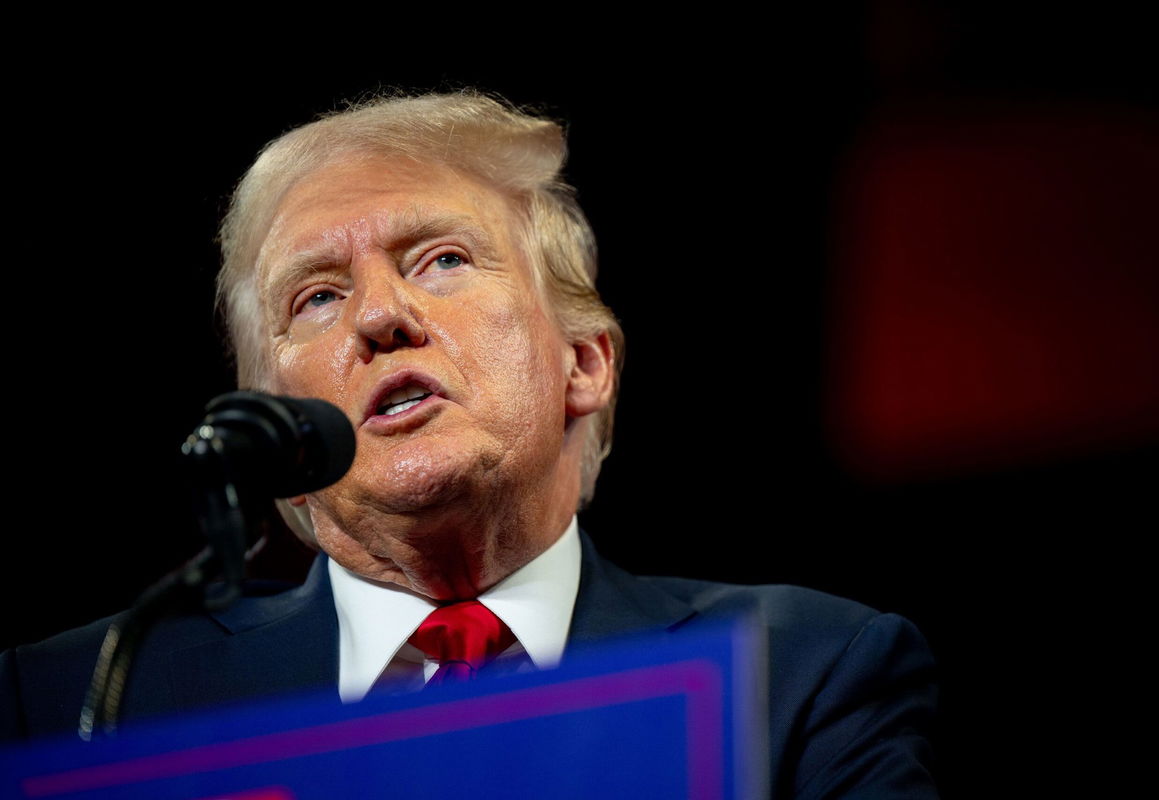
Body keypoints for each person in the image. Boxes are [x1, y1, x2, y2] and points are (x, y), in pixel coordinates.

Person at [1, 91, 938, 797]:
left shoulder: (803, 676)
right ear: (273, 426)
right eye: (316, 296)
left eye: (440, 259)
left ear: (584, 362)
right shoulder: (80, 701)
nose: (378, 315)